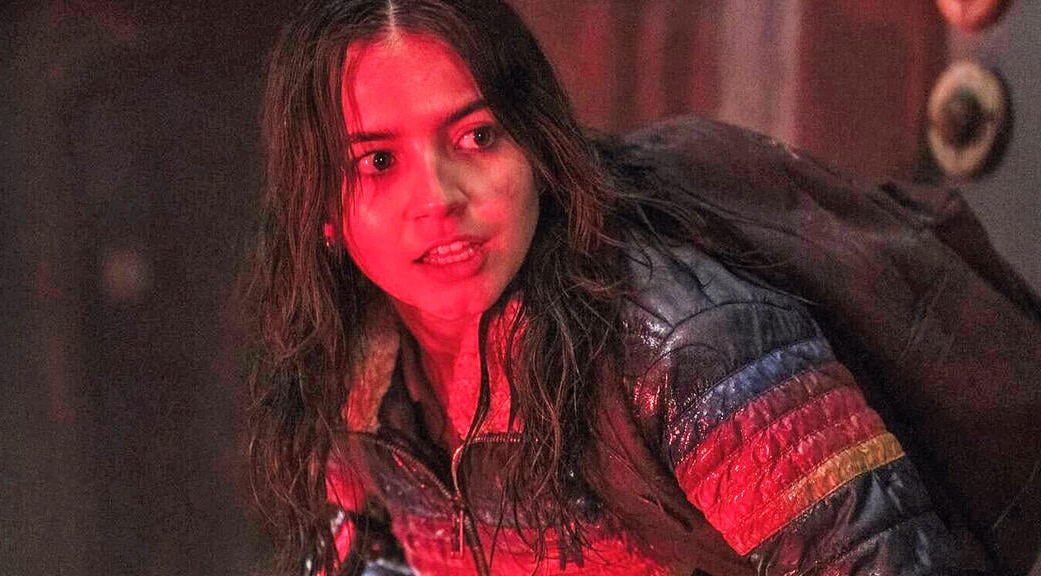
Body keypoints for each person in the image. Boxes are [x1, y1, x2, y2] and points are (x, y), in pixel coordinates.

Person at [242, 0, 1022, 574]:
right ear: (322, 211)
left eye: (478, 136)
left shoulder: (687, 345)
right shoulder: (352, 367)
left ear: (539, 153)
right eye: (378, 162)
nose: (439, 197)